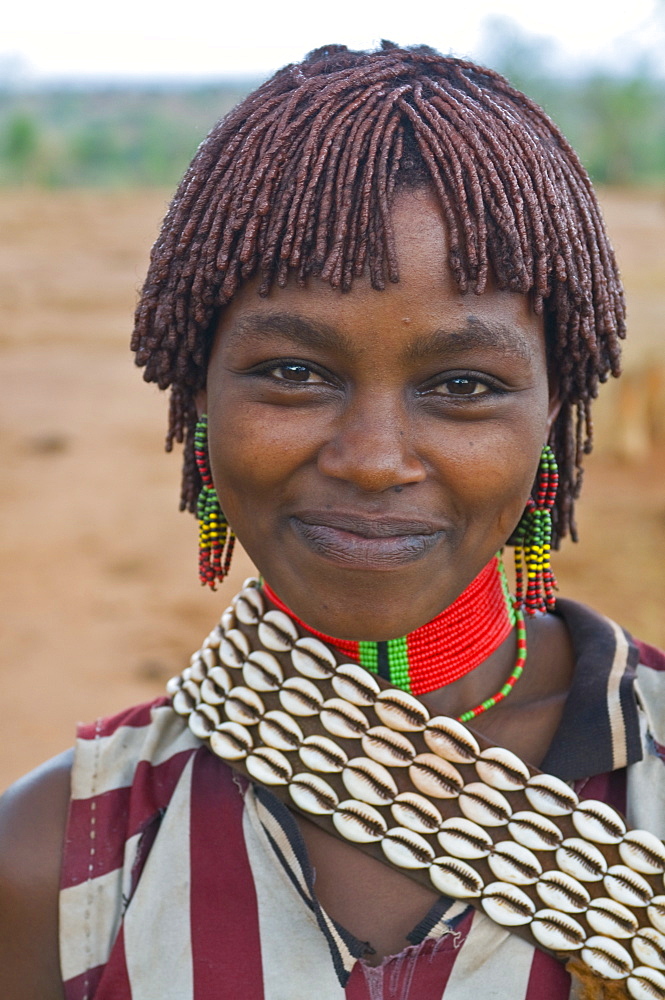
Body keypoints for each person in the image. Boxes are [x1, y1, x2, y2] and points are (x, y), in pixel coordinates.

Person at [1, 42, 664, 1000]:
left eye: (463, 386)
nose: (371, 457)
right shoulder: (65, 858)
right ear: (197, 403)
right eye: (293, 373)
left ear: (551, 421)